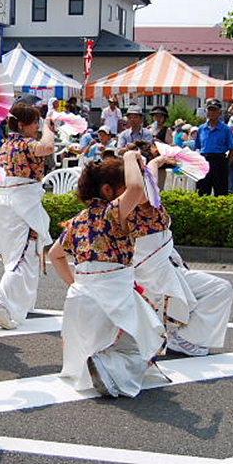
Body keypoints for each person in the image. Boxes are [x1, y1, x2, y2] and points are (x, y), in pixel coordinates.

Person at [49, 152, 166, 398]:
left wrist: (75, 283)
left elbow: (54, 254)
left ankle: (101, 363)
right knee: (142, 346)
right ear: (107, 190)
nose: (130, 194)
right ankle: (108, 366)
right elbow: (136, 188)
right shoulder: (111, 212)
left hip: (80, 298)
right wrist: (130, 156)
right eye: (122, 188)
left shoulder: (76, 221)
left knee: (132, 342)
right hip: (111, 296)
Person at [130, 154, 233, 356]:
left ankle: (184, 337)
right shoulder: (128, 207)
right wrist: (151, 162)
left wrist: (156, 162)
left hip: (168, 270)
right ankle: (181, 338)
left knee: (220, 288)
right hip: (153, 277)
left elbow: (150, 183)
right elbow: (143, 188)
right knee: (218, 289)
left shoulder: (150, 203)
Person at [0, 102, 56, 330]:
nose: (37, 127)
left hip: (6, 201)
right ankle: (1, 303)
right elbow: (48, 147)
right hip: (22, 203)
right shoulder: (26, 144)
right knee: (23, 256)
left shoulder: (6, 145)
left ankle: (12, 304)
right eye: (34, 123)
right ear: (23, 125)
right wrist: (49, 127)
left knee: (13, 256)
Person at [195, 99, 233, 196]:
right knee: (202, 192)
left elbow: (232, 149)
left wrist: (226, 164)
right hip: (204, 161)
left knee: (221, 193)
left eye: (214, 110)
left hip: (219, 161)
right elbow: (197, 147)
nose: (211, 113)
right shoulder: (201, 128)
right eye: (209, 110)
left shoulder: (226, 129)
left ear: (220, 113)